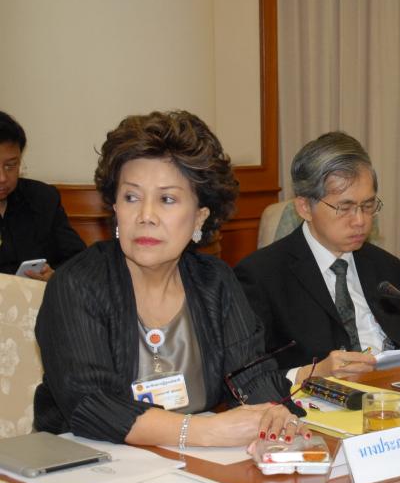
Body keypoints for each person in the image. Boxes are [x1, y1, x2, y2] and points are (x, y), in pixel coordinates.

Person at [34, 110, 308, 447]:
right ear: (115, 209)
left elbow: (251, 376)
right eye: (131, 197)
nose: (146, 216)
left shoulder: (214, 281)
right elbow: (91, 405)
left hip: (189, 463)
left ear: (200, 217)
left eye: (167, 199)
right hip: (85, 461)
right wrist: (204, 432)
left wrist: (274, 413)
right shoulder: (78, 284)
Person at [235, 132, 400, 385]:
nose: (360, 220)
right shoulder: (260, 276)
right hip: (315, 402)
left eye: (368, 206)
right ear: (305, 207)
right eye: (344, 208)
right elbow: (247, 377)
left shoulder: (386, 267)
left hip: (395, 393)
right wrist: (312, 373)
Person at [0, 111, 86, 280]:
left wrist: (55, 277)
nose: (2, 178)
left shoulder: (43, 199)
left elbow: (79, 260)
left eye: (10, 166)